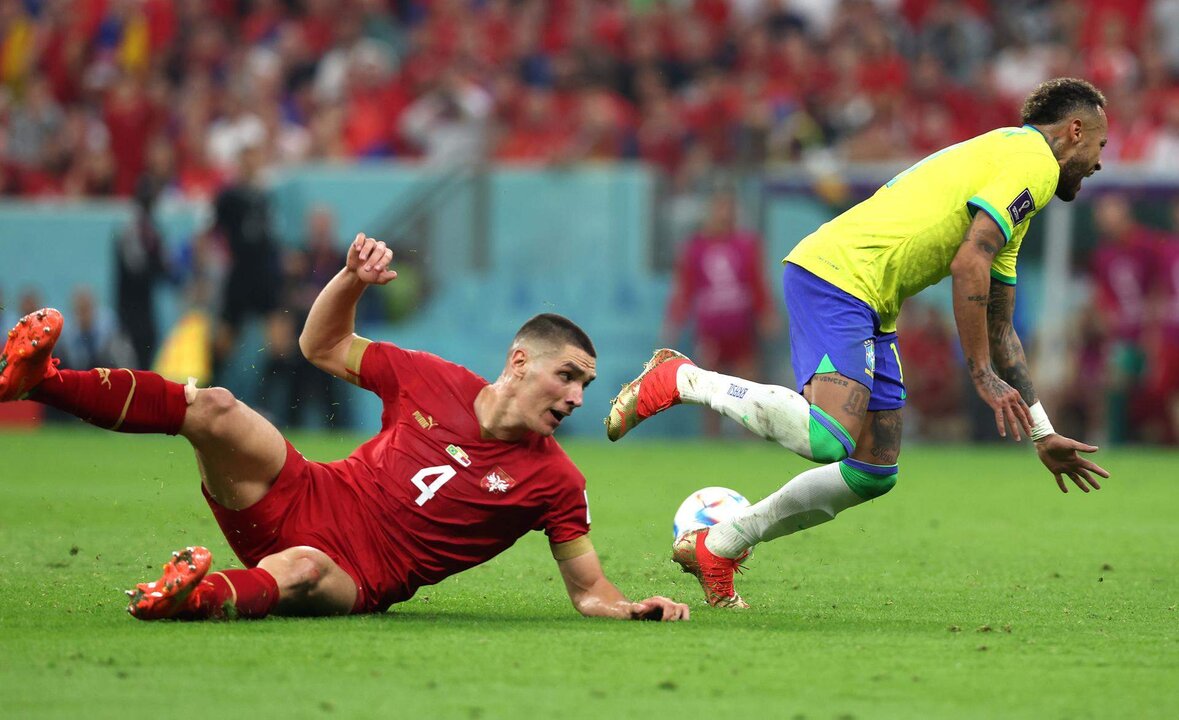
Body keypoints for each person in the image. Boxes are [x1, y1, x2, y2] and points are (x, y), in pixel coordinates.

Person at [605, 77, 1112, 608]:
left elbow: (1000, 325)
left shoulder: (1014, 185)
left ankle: (721, 544)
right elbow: (969, 264)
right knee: (829, 438)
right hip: (838, 275)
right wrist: (980, 374)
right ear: (1074, 130)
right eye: (1100, 143)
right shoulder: (1033, 159)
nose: (1100, 159)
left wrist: (1041, 430)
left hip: (872, 301)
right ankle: (682, 378)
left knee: (872, 471)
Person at [0, 233, 689, 623]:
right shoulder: (430, 376)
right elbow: (319, 347)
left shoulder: (557, 482)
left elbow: (589, 591)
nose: (575, 397)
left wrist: (633, 609)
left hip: (356, 575)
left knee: (298, 569)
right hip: (307, 492)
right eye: (567, 376)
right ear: (518, 362)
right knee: (211, 406)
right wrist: (350, 280)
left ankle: (185, 598)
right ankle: (40, 382)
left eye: (586, 386)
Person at [663, 189, 776, 437]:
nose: (725, 215)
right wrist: (674, 321)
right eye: (720, 209)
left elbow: (757, 283)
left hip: (741, 328)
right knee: (709, 388)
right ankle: (712, 440)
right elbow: (685, 289)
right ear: (710, 212)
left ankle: (751, 440)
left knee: (750, 387)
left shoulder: (746, 245)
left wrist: (766, 312)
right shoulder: (695, 248)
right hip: (711, 329)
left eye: (730, 209)